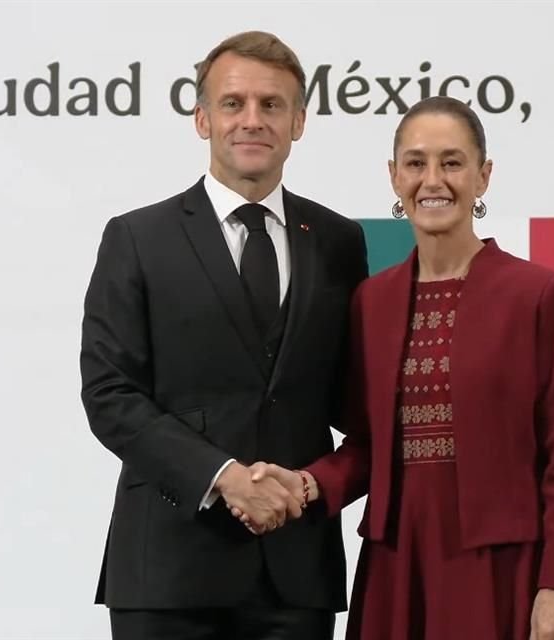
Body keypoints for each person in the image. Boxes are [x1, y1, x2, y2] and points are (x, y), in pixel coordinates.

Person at [241, 96, 554, 640]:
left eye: (452, 162)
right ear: (394, 176)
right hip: (398, 561)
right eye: (416, 162)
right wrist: (307, 484)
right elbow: (366, 447)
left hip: (503, 569)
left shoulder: (536, 293)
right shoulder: (370, 301)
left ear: (483, 176)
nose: (433, 179)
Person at [80, 30, 368, 640]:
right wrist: (224, 477)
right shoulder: (136, 237)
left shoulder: (341, 242)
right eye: (233, 103)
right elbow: (110, 395)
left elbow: (355, 403)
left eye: (272, 105)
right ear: (202, 118)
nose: (252, 120)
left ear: (300, 121)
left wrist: (315, 487)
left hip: (296, 574)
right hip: (167, 572)